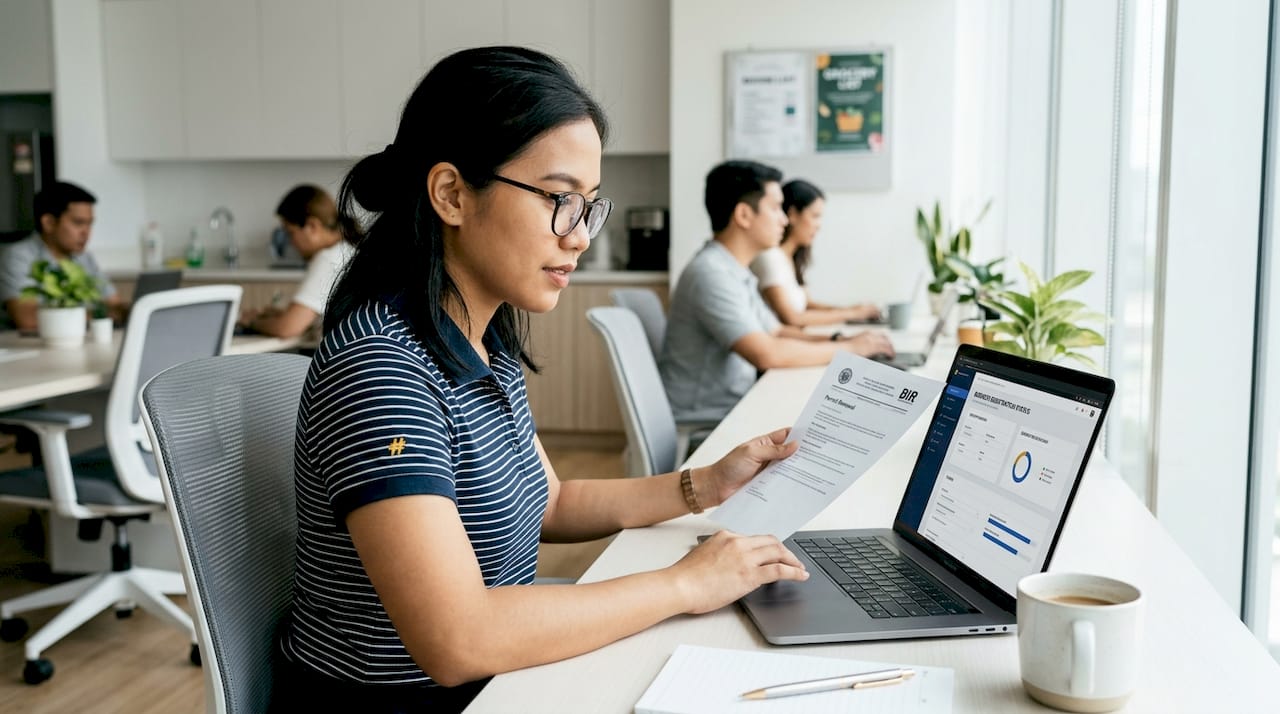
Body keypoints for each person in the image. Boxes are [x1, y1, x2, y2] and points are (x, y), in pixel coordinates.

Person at [277, 47, 810, 713]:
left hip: (500, 682)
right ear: (451, 194)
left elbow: (550, 502)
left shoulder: (482, 338)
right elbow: (458, 641)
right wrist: (682, 586)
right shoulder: (383, 370)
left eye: (588, 206)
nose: (580, 236)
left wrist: (705, 484)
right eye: (559, 200)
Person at [659, 161, 895, 423]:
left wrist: (841, 341)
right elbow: (766, 353)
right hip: (709, 418)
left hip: (737, 404)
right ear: (744, 215)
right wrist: (851, 348)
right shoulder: (710, 274)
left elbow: (777, 332)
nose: (784, 220)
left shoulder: (735, 271)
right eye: (775, 208)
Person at [750, 179, 882, 326]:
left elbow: (807, 304)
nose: (818, 226)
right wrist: (851, 314)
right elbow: (792, 318)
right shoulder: (769, 257)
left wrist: (852, 310)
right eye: (815, 216)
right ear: (793, 215)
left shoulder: (791, 258)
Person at [0, 181, 121, 331]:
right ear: (49, 223)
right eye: (78, 223)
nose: (86, 232)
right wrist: (101, 313)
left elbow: (116, 306)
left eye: (90, 224)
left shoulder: (84, 258)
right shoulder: (17, 257)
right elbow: (29, 320)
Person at [239, 185, 354, 339]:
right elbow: (310, 318)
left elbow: (287, 328)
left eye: (291, 233)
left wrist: (250, 321)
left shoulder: (329, 258)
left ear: (312, 226)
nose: (292, 243)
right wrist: (282, 314)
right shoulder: (347, 249)